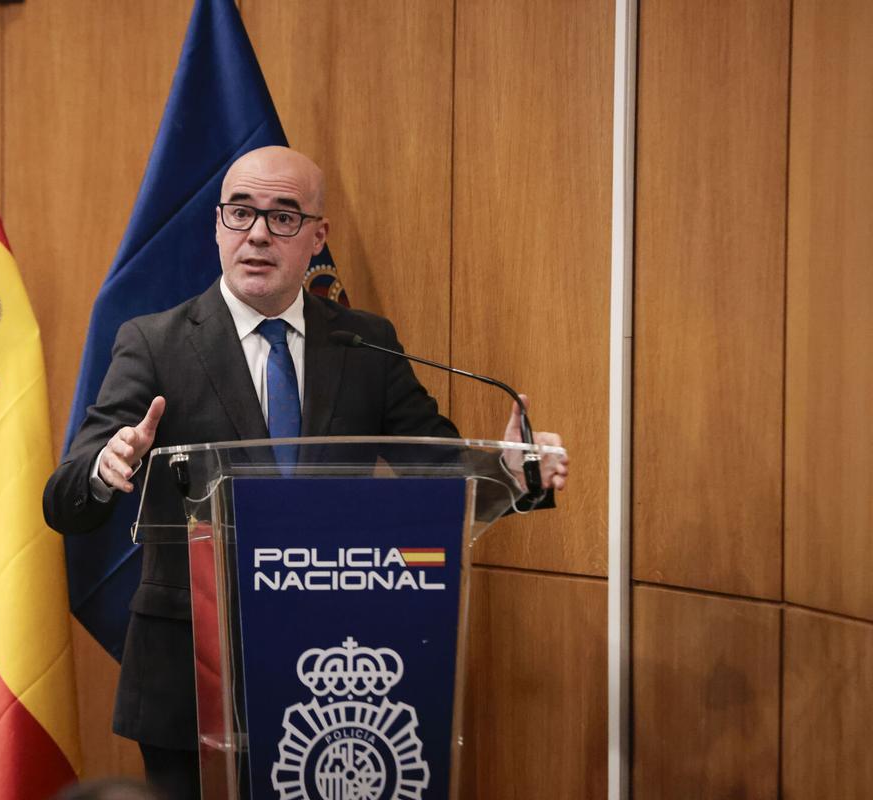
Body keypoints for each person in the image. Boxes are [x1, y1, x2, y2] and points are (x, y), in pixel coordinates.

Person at [44, 146, 569, 799]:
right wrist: (106, 465)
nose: (258, 232)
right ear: (216, 226)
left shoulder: (363, 343)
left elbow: (437, 468)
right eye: (241, 213)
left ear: (317, 236)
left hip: (338, 673)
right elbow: (65, 501)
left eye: (283, 217)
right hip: (190, 675)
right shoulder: (155, 341)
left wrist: (513, 475)